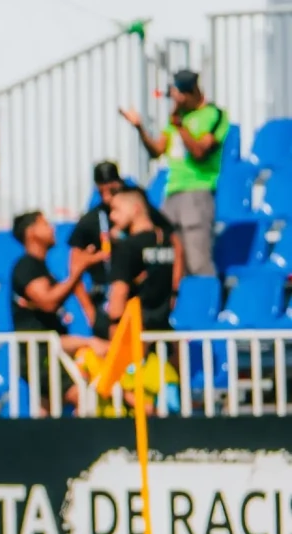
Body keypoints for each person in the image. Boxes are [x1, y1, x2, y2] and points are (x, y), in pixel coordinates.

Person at [120, 69, 230, 281]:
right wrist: (139, 128)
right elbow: (156, 151)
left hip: (197, 191)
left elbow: (199, 152)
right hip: (172, 192)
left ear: (190, 93)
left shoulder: (214, 114)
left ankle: (204, 307)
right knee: (171, 261)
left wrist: (180, 126)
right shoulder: (175, 120)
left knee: (197, 261)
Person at [67, 161, 182, 336]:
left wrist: (174, 290)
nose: (107, 198)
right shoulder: (91, 222)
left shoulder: (145, 215)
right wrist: (90, 312)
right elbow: (75, 265)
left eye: (112, 191)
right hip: (113, 306)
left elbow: (174, 243)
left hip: (150, 308)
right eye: (101, 192)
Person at [9, 210, 107, 410]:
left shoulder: (42, 267)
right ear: (31, 232)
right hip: (38, 355)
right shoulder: (26, 266)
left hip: (48, 352)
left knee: (48, 411)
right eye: (45, 224)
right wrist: (77, 271)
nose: (52, 229)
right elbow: (47, 301)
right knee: (83, 398)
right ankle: (84, 442)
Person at [104, 188, 176, 335]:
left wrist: (114, 327)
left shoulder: (127, 247)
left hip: (136, 330)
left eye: (116, 210)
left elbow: (119, 291)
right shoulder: (167, 241)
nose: (112, 216)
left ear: (135, 209)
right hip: (164, 328)